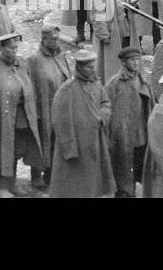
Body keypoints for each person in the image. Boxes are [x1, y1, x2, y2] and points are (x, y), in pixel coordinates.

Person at [0, 31, 43, 196]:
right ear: (1, 50)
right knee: (2, 150)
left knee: (16, 150)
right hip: (1, 118)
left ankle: (11, 182)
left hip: (21, 116)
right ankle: (2, 187)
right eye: (10, 49)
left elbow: (29, 87)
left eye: (15, 48)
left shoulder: (22, 65)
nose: (14, 51)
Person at [49, 49, 115, 198]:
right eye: (89, 67)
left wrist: (102, 117)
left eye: (94, 67)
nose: (93, 70)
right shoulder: (67, 89)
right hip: (77, 146)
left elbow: (106, 103)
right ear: (79, 67)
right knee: (75, 185)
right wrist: (69, 148)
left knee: (95, 182)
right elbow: (60, 121)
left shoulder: (96, 84)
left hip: (95, 142)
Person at [27, 22, 71, 193]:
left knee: (56, 142)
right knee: (40, 142)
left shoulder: (61, 57)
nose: (56, 42)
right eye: (52, 39)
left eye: (57, 38)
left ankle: (52, 174)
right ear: (43, 40)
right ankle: (36, 175)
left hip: (60, 110)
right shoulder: (34, 60)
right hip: (42, 109)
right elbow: (30, 87)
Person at [107, 47, 152, 197]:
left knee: (138, 165)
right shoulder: (115, 83)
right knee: (123, 167)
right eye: (132, 60)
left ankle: (130, 191)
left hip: (140, 133)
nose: (136, 63)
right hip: (123, 135)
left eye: (137, 59)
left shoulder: (141, 79)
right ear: (124, 62)